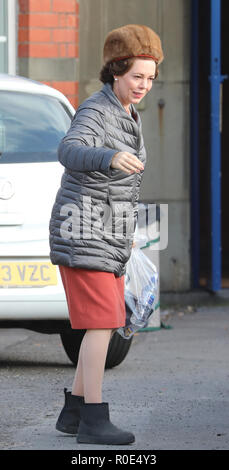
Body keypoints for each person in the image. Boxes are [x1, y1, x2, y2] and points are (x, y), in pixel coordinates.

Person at [49, 24, 163, 446]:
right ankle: (95, 420)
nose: (144, 86)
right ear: (116, 70)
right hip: (83, 232)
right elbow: (69, 150)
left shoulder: (126, 112)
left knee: (106, 322)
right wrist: (110, 155)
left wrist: (128, 233)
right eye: (137, 76)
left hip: (108, 235)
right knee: (102, 325)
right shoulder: (97, 111)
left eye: (151, 78)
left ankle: (74, 413)